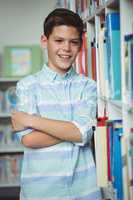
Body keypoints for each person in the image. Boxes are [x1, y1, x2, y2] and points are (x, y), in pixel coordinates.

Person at [11, 8, 102, 200]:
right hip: (41, 192)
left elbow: (83, 133)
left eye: (73, 42)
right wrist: (72, 128)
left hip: (84, 190)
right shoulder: (27, 86)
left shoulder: (89, 86)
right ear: (45, 41)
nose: (66, 49)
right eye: (59, 41)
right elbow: (29, 140)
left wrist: (30, 120)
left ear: (81, 44)